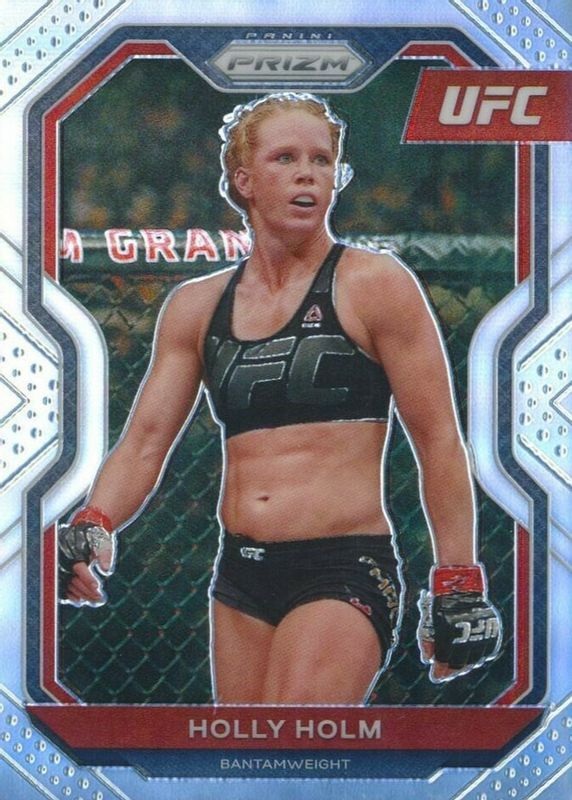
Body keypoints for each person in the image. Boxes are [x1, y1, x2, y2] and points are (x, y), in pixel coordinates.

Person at [58, 92, 501, 705]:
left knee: (293, 732)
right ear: (244, 181)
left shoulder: (375, 284)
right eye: (285, 158)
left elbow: (439, 441)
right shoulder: (197, 306)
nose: (306, 174)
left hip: (343, 566)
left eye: (321, 160)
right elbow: (144, 444)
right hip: (240, 573)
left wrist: (458, 581)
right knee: (244, 753)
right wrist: (93, 522)